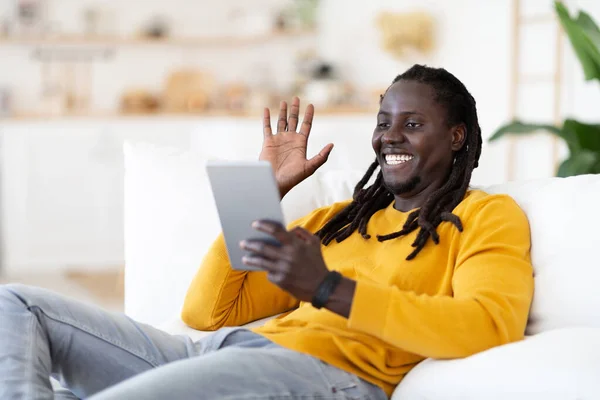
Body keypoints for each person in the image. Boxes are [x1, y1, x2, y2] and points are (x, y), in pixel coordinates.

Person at [0, 65, 534, 400]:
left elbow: (488, 325)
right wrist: (263, 192)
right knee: (15, 305)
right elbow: (209, 313)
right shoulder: (341, 219)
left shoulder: (486, 215)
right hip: (222, 354)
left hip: (317, 376)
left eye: (412, 124)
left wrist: (329, 290)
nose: (389, 136)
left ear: (458, 136)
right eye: (383, 122)